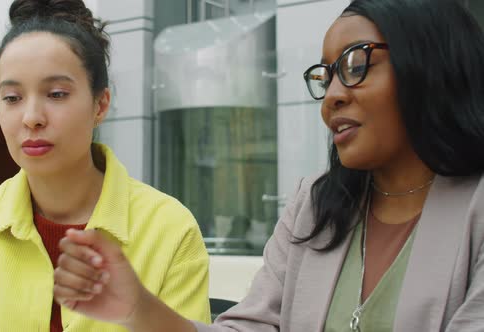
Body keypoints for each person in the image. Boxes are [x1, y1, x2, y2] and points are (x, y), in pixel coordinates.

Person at [51, 0, 484, 331]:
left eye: (355, 65)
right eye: (326, 75)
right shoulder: (314, 206)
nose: (333, 94)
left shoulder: (475, 209)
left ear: (430, 64)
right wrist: (138, 309)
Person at [0, 0, 211, 331]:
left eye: (57, 94)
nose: (31, 118)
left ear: (100, 104)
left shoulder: (169, 229)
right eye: (12, 98)